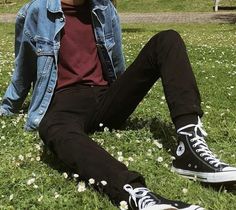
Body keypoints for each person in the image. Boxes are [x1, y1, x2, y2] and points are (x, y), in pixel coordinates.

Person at [0, 0, 235, 209]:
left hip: (106, 99)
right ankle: (137, 194)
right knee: (51, 127)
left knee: (168, 39)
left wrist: (126, 93)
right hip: (65, 103)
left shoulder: (104, 8)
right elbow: (23, 72)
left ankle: (190, 147)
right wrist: (8, 108)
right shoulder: (35, 11)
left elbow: (117, 63)